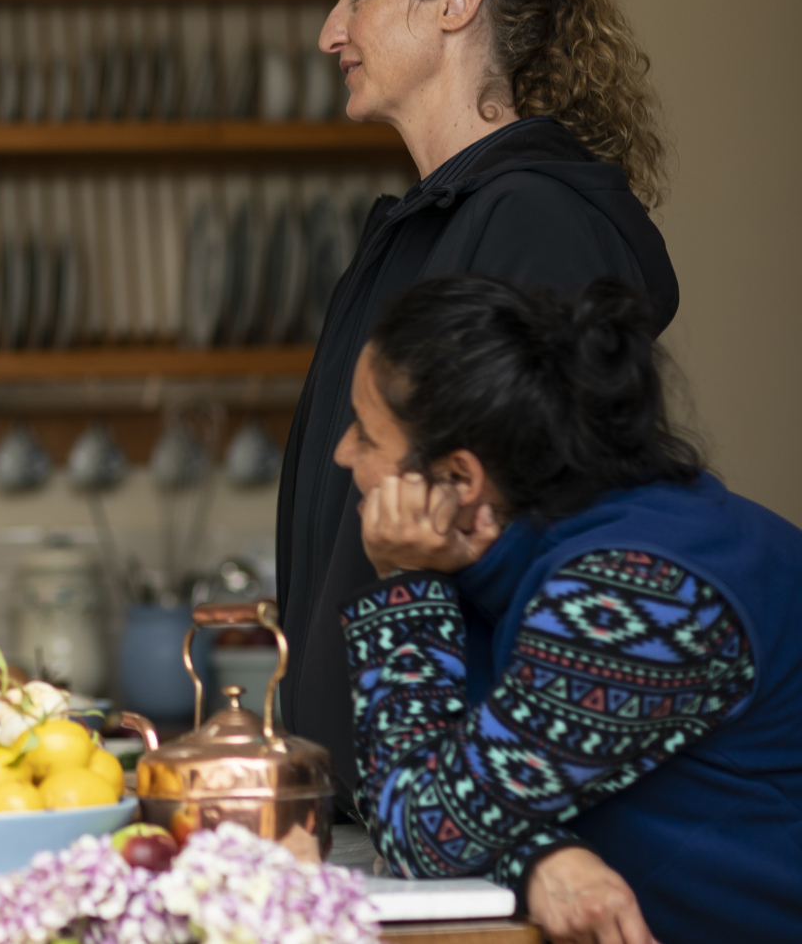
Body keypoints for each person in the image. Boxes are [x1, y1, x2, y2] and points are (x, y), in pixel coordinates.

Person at [276, 0, 678, 799]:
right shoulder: (419, 224)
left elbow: (549, 533)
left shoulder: (535, 220)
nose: (331, 33)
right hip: (383, 765)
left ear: (456, 0)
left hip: (476, 785)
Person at [338, 274, 802, 944]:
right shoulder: (503, 556)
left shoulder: (633, 595)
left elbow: (419, 829)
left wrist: (402, 579)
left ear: (460, 479)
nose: (342, 451)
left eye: (364, 433)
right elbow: (436, 791)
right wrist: (542, 857)